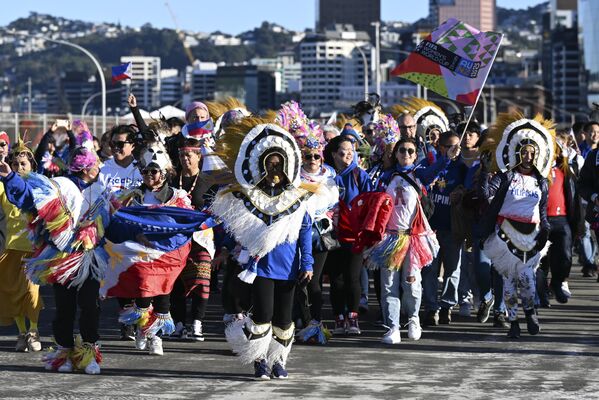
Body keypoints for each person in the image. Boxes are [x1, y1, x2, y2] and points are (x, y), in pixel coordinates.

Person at [211, 117, 314, 379]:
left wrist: (308, 263)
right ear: (262, 166)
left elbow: (305, 233)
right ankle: (259, 361)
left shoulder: (296, 198)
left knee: (283, 319)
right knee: (261, 317)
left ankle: (278, 360)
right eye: (270, 164)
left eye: (280, 165)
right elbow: (235, 230)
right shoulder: (249, 198)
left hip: (288, 268)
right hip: (261, 269)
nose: (275, 170)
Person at [0, 145, 111, 374]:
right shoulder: (61, 185)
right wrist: (10, 177)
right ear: (87, 168)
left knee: (90, 305)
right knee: (65, 308)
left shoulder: (102, 191)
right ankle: (65, 352)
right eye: (95, 164)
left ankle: (89, 353)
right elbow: (30, 198)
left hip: (90, 258)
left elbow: (114, 225)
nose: (98, 168)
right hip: (62, 258)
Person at [479, 112, 553, 339]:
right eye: (525, 152)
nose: (528, 156)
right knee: (508, 283)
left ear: (537, 154)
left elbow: (542, 211)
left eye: (532, 153)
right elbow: (485, 194)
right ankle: (513, 322)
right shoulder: (505, 177)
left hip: (531, 235)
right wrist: (484, 171)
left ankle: (530, 311)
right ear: (517, 153)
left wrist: (546, 231)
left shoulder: (541, 180)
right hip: (504, 234)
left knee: (527, 279)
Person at [117, 141, 195, 356]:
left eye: (153, 171)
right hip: (141, 254)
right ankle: (144, 329)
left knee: (163, 297)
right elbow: (122, 221)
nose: (149, 175)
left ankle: (155, 337)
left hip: (166, 256)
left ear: (163, 173)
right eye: (145, 171)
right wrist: (138, 235)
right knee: (143, 294)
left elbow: (186, 223)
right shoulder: (132, 195)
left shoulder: (177, 196)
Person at [275, 102, 339, 344]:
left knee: (313, 281)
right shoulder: (292, 177)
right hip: (294, 233)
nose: (312, 160)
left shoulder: (330, 177)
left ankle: (316, 322)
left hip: (319, 236)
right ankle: (297, 320)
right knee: (295, 281)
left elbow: (335, 204)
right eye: (307, 156)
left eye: (316, 156)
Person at [365, 138, 440, 344]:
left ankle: (413, 318)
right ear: (396, 154)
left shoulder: (419, 175)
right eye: (402, 150)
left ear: (415, 155)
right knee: (388, 284)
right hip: (390, 237)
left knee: (412, 284)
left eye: (410, 150)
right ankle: (393, 326)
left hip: (412, 238)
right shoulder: (385, 177)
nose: (406, 153)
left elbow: (437, 169)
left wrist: (448, 157)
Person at [98, 124, 143, 341]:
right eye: (113, 143)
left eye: (121, 143)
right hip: (114, 230)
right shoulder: (104, 169)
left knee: (139, 276)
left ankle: (141, 320)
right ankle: (127, 321)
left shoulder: (141, 167)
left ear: (133, 145)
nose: (115, 147)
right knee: (120, 276)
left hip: (138, 231)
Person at [324, 135, 372, 336]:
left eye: (351, 152)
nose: (347, 156)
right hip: (332, 235)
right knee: (336, 280)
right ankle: (338, 317)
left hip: (354, 235)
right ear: (334, 154)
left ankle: (353, 317)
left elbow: (370, 204)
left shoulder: (359, 175)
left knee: (353, 278)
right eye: (343, 152)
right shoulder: (325, 175)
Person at [169, 138, 217, 341]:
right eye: (181, 155)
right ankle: (179, 324)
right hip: (176, 239)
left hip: (202, 238)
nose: (185, 159)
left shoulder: (209, 182)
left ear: (199, 156)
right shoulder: (171, 181)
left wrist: (201, 224)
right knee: (176, 282)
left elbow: (218, 214)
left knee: (202, 280)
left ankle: (197, 322)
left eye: (189, 155)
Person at [0, 137, 43, 352]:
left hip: (34, 249)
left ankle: (34, 330)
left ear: (32, 166)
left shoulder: (39, 185)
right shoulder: (3, 184)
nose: (18, 168)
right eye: (15, 164)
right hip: (10, 248)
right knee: (12, 291)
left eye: (23, 164)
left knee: (31, 291)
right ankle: (21, 332)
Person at [421, 131, 467, 326]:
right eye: (449, 146)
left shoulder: (463, 168)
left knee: (452, 269)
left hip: (452, 228)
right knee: (429, 270)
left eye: (457, 146)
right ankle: (432, 308)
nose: (454, 150)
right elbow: (424, 179)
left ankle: (447, 305)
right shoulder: (430, 163)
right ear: (440, 147)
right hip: (431, 228)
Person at [537, 131, 583, 305]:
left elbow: (575, 197)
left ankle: (557, 283)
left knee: (564, 257)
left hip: (562, 219)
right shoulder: (537, 170)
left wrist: (578, 223)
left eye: (557, 148)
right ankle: (540, 294)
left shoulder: (566, 170)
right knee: (540, 260)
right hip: (540, 220)